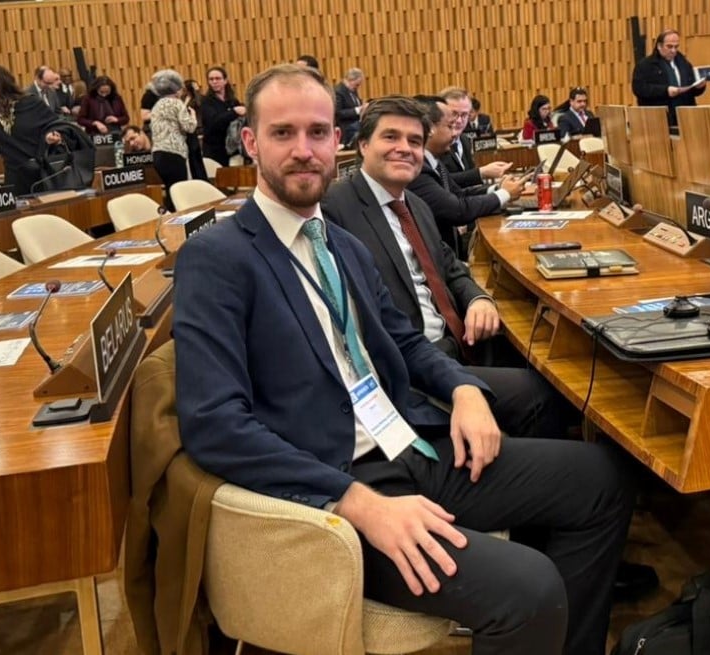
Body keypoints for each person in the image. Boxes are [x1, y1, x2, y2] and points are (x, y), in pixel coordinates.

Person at [173, 63, 633, 655]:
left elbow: (406, 341)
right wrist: (356, 503)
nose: (304, 150)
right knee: (529, 588)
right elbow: (214, 424)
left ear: (337, 142)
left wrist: (465, 389)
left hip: (406, 444)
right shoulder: (217, 259)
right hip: (335, 493)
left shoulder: (341, 244)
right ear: (251, 143)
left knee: (602, 479)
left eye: (317, 132)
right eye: (283, 133)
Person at [323, 96, 567, 439]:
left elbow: (449, 266)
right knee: (542, 394)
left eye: (414, 141)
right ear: (363, 144)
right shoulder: (335, 208)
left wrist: (479, 299)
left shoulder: (415, 204)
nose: (404, 149)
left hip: (457, 342)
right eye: (390, 137)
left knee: (550, 361)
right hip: (409, 368)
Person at [407, 96, 521, 255]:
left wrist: (497, 188)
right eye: (450, 126)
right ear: (429, 129)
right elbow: (457, 210)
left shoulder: (434, 161)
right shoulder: (417, 169)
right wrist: (504, 194)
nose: (455, 133)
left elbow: (459, 194)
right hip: (440, 257)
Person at [0, 64, 62, 194]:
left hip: (43, 174)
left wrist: (52, 136)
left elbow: (56, 127)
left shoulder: (31, 103)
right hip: (14, 177)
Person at [631, 29, 706, 126]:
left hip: (685, 117)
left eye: (676, 47)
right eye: (669, 47)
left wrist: (699, 87)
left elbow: (691, 89)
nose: (673, 50)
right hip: (659, 119)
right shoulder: (645, 65)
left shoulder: (684, 63)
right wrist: (665, 91)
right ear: (659, 46)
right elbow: (639, 89)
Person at [147, 69, 197, 210]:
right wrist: (192, 115)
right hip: (174, 153)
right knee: (178, 193)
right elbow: (189, 127)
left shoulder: (156, 106)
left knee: (169, 192)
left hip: (158, 153)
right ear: (177, 88)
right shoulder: (177, 103)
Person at [199, 66, 246, 166]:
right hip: (214, 150)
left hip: (232, 149)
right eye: (211, 79)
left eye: (218, 78)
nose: (214, 82)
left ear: (225, 80)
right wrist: (233, 112)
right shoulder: (206, 101)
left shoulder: (233, 100)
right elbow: (213, 122)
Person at [334, 68, 365, 147]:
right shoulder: (338, 91)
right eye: (357, 84)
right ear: (350, 80)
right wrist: (357, 110)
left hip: (355, 125)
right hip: (346, 128)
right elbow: (338, 113)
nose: (357, 87)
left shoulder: (352, 89)